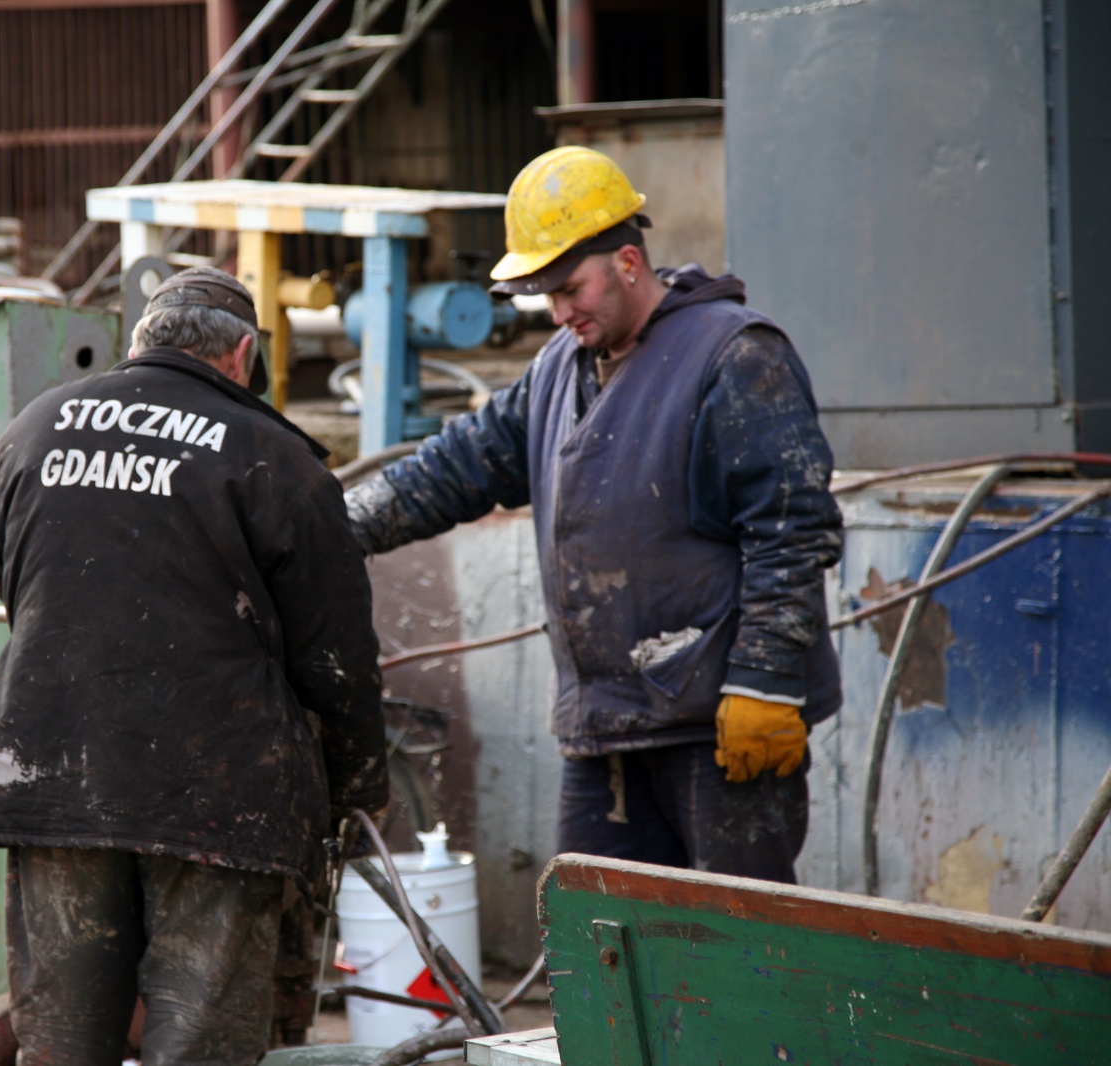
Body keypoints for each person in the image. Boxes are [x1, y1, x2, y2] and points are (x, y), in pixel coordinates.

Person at [344, 146, 842, 883]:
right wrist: (331, 524)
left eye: (571, 288)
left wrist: (763, 683)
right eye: (546, 295)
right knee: (597, 953)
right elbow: (458, 465)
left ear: (630, 262)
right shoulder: (558, 367)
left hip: (720, 729)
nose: (560, 311)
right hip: (606, 728)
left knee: (734, 959)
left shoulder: (734, 358)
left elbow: (792, 532)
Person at [0, 267, 388, 1065]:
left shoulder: (33, 430)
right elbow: (336, 659)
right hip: (216, 797)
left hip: (49, 774)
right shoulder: (277, 459)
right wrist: (357, 793)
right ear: (243, 354)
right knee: (200, 1047)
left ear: (137, 343)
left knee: (60, 1044)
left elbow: (10, 577)